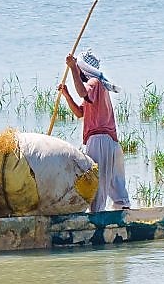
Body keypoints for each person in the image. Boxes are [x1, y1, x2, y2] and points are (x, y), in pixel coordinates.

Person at [57, 51, 132, 212]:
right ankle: (123, 210)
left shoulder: (94, 83)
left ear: (83, 70)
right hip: (110, 141)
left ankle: (97, 216)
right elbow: (79, 113)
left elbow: (83, 92)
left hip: (99, 140)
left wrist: (72, 69)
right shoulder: (98, 88)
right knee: (114, 181)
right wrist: (67, 95)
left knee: (97, 181)